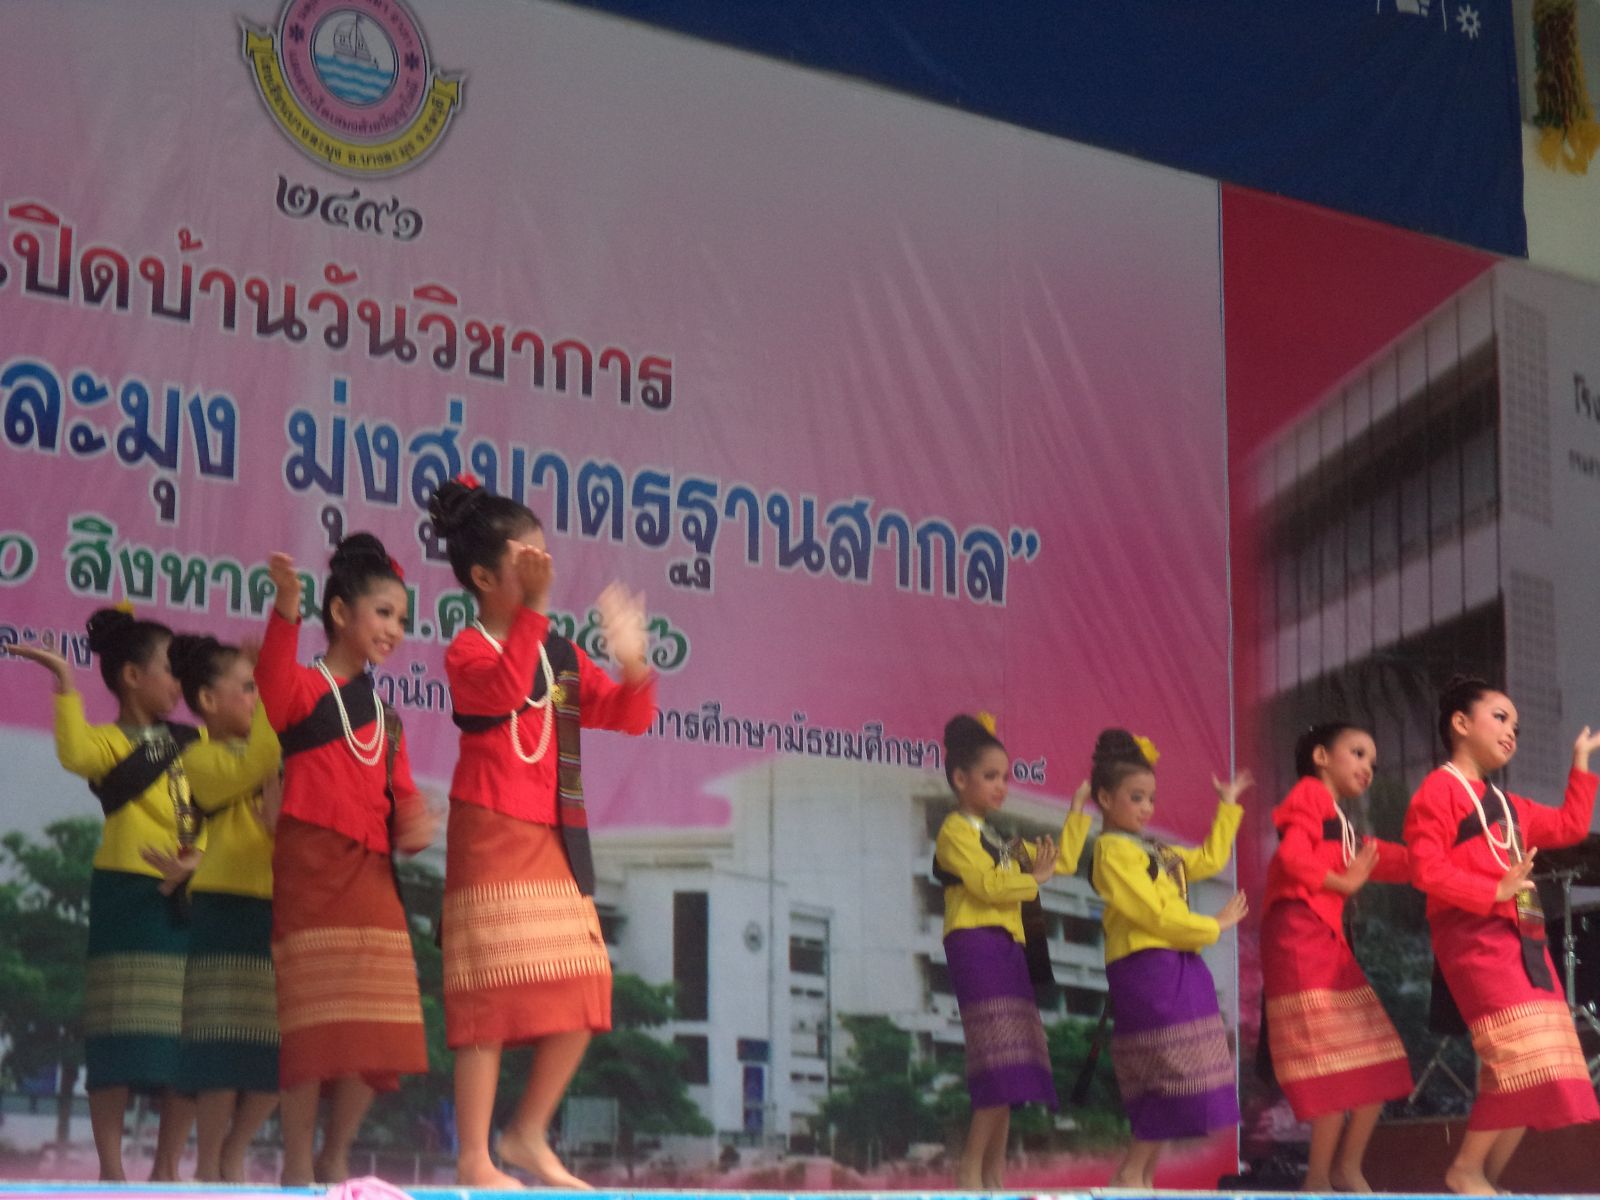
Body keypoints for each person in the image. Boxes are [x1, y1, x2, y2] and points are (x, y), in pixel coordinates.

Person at [428, 475, 656, 1188]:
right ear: (482, 577)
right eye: (526, 561)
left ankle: (526, 1133)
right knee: (488, 998)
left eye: (543, 557)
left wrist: (633, 659)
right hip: (491, 833)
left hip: (553, 838)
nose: (541, 569)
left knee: (587, 985)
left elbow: (628, 714)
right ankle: (474, 1158)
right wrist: (538, 609)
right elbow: (501, 691)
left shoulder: (557, 653)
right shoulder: (468, 650)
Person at [4, 609, 252, 1180]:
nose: (178, 682)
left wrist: (199, 860)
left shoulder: (196, 740)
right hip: (126, 895)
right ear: (132, 676)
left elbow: (223, 801)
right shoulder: (109, 742)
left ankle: (166, 1170)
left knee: (184, 1043)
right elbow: (74, 752)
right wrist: (64, 681)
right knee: (117, 1037)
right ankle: (112, 1173)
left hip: (190, 898)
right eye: (169, 669)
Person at [254, 534, 436, 1186]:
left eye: (402, 620)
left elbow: (402, 801)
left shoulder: (388, 719)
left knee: (377, 1022)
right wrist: (286, 608)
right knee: (312, 1021)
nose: (394, 630)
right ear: (339, 613)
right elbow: (271, 690)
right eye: (384, 613)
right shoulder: (305, 688)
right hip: (310, 868)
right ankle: (298, 1162)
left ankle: (337, 1152)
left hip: (370, 876)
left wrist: (417, 822)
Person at [1403, 676, 1600, 1196]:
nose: (1511, 731)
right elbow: (1425, 870)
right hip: (1473, 940)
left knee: (1538, 1062)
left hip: (1523, 941)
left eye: (1516, 725)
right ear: (1460, 723)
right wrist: (1494, 890)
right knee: (1520, 1056)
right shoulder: (1438, 790)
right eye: (1500, 717)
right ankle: (1466, 1170)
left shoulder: (1510, 806)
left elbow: (1570, 826)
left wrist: (1581, 762)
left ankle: (1482, 1177)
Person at [933, 712, 1091, 1190]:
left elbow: (1061, 861)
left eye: (1005, 777)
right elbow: (985, 885)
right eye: (990, 776)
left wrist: (1077, 810)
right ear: (960, 779)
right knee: (997, 1058)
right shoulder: (956, 832)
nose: (1001, 786)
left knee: (1014, 1063)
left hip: (1007, 949)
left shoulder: (999, 839)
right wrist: (1032, 879)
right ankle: (970, 1168)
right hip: (975, 945)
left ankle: (993, 1172)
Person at [1088, 728, 1249, 1189]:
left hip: (1177, 962)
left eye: (1150, 799)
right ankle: (1130, 1173)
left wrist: (1228, 806)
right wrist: (1212, 925)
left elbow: (1207, 860)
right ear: (1105, 798)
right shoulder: (1110, 852)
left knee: (1182, 1068)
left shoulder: (1152, 849)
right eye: (1136, 797)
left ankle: (1139, 1175)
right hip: (1146, 967)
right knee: (1166, 1068)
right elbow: (1153, 914)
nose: (1146, 808)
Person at [1259, 722, 1412, 1193]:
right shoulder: (1310, 794)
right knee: (1332, 1065)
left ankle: (1342, 1170)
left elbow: (1380, 857)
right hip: (1300, 938)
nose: (1368, 767)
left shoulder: (1341, 824)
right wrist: (1343, 883)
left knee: (1377, 1060)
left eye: (1373, 762)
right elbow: (1291, 857)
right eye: (1358, 753)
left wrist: (1441, 858)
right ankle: (1320, 1179)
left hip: (1324, 942)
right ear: (1321, 757)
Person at [166, 633, 282, 1182]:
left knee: (273, 1050)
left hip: (275, 904)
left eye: (259, 689)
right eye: (249, 688)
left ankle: (234, 1151)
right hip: (223, 908)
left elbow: (282, 817)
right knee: (220, 1047)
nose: (258, 698)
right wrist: (276, 686)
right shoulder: (199, 757)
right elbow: (262, 755)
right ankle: (210, 1165)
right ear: (208, 701)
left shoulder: (268, 757)